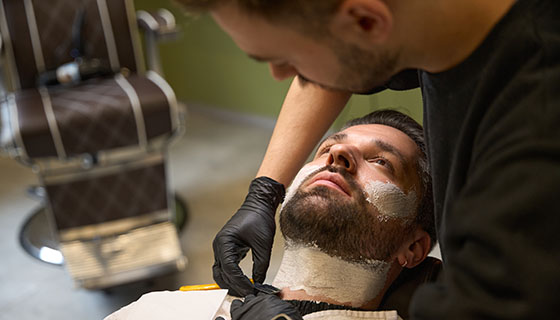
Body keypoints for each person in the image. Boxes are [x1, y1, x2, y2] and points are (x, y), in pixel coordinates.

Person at [178, 0, 560, 318]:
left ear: (366, 21)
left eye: (288, 58)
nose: (282, 76)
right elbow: (332, 70)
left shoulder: (535, 129)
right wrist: (265, 189)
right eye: (327, 148)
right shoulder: (433, 20)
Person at [104, 110, 439, 320]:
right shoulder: (160, 309)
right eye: (325, 149)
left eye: (382, 162)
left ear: (414, 247)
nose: (338, 153)